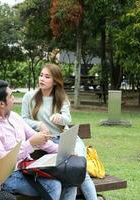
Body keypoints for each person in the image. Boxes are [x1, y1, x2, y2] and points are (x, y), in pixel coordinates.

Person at [0, 80, 77, 200]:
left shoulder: (14, 117)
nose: (14, 99)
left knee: (70, 181)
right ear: (1, 104)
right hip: (8, 176)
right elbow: (3, 161)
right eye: (11, 96)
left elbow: (39, 139)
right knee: (54, 186)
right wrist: (31, 143)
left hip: (28, 168)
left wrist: (63, 151)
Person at [21, 63, 98, 200]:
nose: (42, 79)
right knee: (71, 176)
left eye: (47, 77)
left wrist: (60, 118)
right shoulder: (29, 96)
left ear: (55, 81)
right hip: (48, 143)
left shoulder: (61, 98)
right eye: (41, 75)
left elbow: (67, 118)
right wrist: (39, 124)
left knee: (79, 171)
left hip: (67, 139)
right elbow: (23, 120)